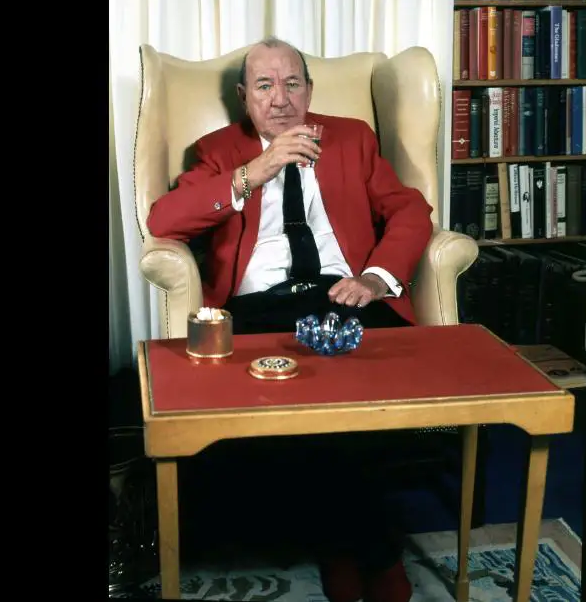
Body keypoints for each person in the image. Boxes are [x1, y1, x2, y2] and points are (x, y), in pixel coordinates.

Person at [145, 36, 434, 602]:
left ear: (310, 89)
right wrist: (257, 169)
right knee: (310, 403)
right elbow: (165, 219)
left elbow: (409, 208)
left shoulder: (352, 138)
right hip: (260, 307)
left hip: (344, 296)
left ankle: (343, 546)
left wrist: (378, 277)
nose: (280, 99)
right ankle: (370, 553)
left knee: (360, 395)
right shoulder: (218, 150)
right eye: (264, 85)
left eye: (292, 83)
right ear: (244, 97)